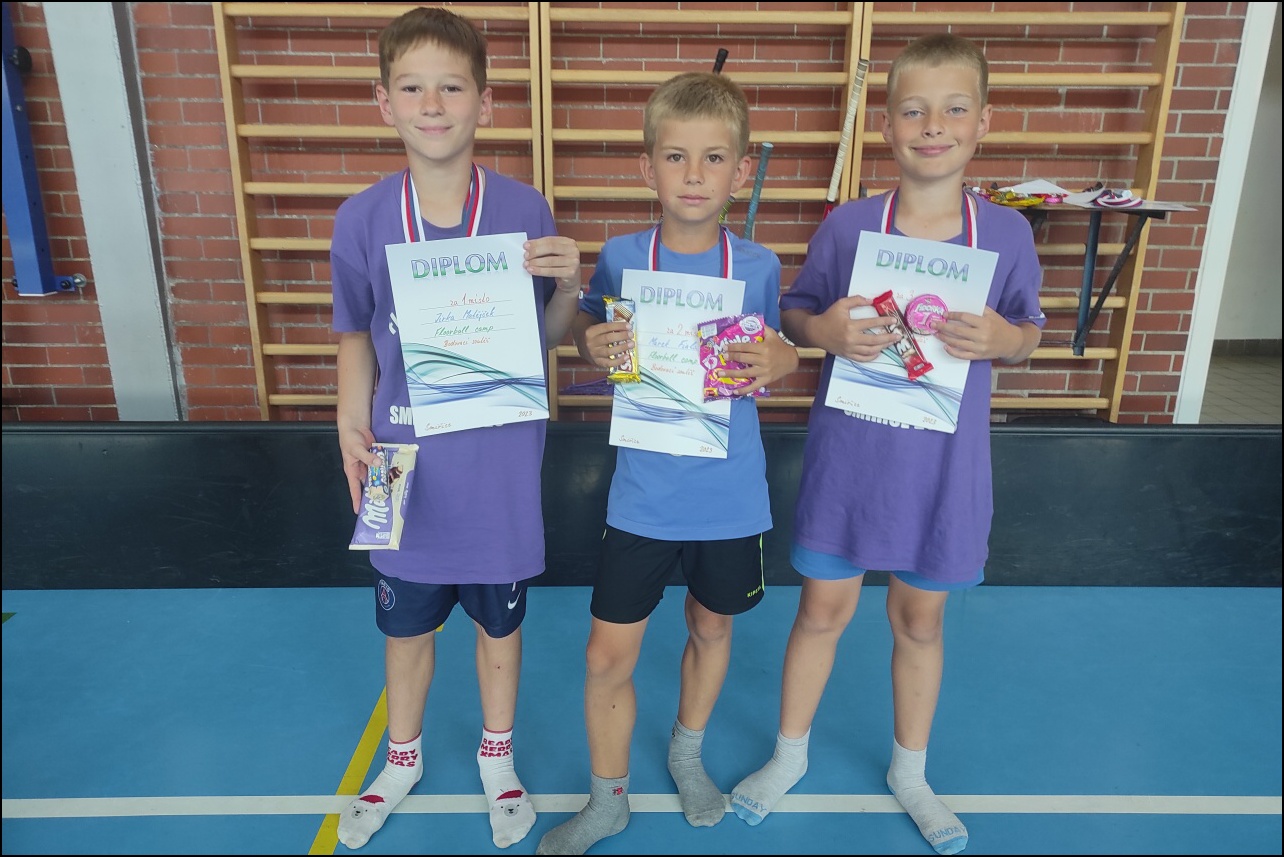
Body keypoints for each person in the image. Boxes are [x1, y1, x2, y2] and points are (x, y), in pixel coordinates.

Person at [728, 34, 1045, 856]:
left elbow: (1029, 332)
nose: (932, 125)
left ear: (983, 121)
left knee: (920, 620)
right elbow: (797, 313)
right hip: (851, 462)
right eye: (913, 110)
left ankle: (911, 772)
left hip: (943, 472)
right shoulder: (848, 226)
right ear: (886, 125)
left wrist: (1006, 338)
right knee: (821, 610)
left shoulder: (1006, 232)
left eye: (953, 109)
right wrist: (825, 331)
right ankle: (789, 754)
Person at [329, 6, 582, 851]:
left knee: (498, 626)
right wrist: (348, 423)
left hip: (497, 462)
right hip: (399, 461)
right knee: (403, 629)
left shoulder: (523, 206)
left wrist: (569, 286)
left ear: (485, 101)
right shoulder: (361, 218)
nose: (431, 105)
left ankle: (496, 756)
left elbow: (546, 340)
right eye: (412, 88)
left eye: (451, 87)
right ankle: (400, 758)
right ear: (384, 102)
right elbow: (355, 335)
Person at [536, 72, 800, 855]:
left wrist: (783, 359)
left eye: (713, 158)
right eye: (676, 156)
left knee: (710, 627)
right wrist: (589, 343)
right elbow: (582, 332)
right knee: (605, 654)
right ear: (646, 166)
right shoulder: (622, 257)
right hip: (644, 496)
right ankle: (607, 798)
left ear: (741, 171)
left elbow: (777, 347)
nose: (693, 174)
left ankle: (687, 754)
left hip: (729, 495)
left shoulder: (757, 264)